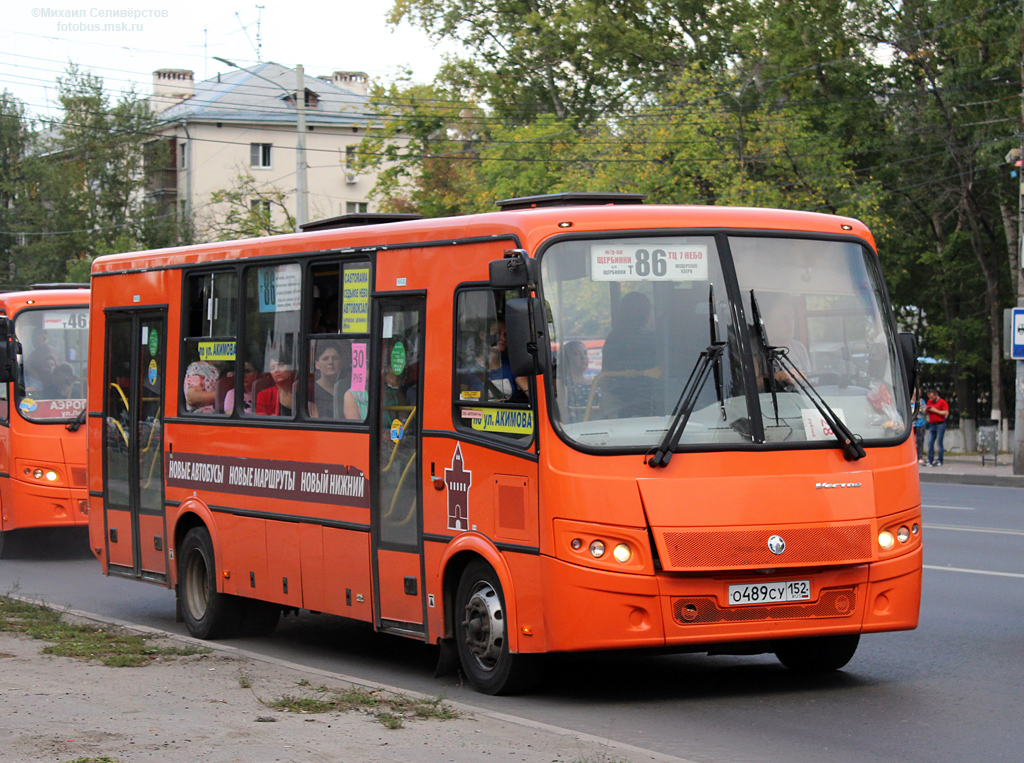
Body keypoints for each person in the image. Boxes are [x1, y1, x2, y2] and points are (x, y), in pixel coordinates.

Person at [601, 291, 658, 417]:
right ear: (646, 314)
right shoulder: (654, 339)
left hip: (618, 401)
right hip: (649, 400)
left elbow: (606, 374)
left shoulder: (613, 337)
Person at [560, 340, 593, 422]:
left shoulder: (597, 381)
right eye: (576, 354)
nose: (583, 357)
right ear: (566, 359)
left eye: (585, 353)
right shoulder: (561, 384)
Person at [255, 349, 296, 416]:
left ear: (291, 367)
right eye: (272, 368)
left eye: (281, 365)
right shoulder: (264, 396)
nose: (276, 370)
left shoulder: (303, 391)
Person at [310, 341, 343, 418]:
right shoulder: (310, 390)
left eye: (335, 358)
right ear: (317, 365)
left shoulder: (346, 389)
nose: (330, 362)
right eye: (325, 359)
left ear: (341, 362)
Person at [924, 388, 949, 466]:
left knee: (939, 442)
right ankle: (930, 459)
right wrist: (925, 410)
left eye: (932, 397)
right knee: (930, 442)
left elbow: (946, 413)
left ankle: (940, 460)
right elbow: (925, 413)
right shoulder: (929, 402)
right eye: (929, 398)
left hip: (940, 424)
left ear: (936, 395)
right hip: (932, 424)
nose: (931, 399)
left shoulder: (943, 402)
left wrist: (935, 411)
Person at [912, 390, 927, 464]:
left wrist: (920, 409)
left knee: (920, 440)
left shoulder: (921, 401)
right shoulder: (909, 401)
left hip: (920, 423)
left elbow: (925, 412)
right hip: (911, 424)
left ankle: (920, 456)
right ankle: (912, 456)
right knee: (911, 441)